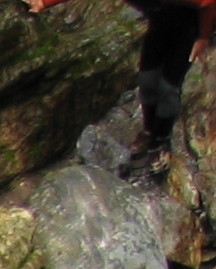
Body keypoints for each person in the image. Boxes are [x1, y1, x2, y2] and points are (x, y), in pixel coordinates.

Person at [29, 0, 216, 163]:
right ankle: (150, 131)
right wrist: (44, 3)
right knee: (148, 81)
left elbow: (207, 3)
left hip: (191, 25)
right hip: (161, 20)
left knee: (168, 87)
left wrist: (204, 37)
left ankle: (161, 140)